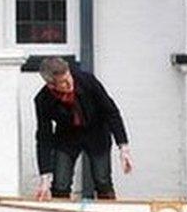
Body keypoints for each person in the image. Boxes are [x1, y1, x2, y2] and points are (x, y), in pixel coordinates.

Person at [33, 57, 133, 200]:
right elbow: (44, 136)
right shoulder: (43, 100)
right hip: (67, 136)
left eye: (69, 77)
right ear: (51, 85)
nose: (69, 83)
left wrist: (123, 147)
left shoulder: (87, 81)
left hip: (96, 132)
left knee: (102, 180)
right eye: (63, 83)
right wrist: (44, 176)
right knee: (60, 184)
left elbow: (111, 111)